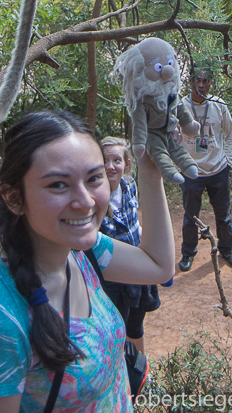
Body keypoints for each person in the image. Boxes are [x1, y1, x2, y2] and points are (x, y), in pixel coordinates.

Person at [0, 110, 174, 413]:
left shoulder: (83, 249)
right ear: (14, 198)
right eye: (58, 184)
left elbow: (158, 265)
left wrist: (150, 173)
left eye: (94, 178)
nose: (85, 201)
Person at [100, 136, 161, 355]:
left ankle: (140, 372)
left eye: (116, 160)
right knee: (114, 328)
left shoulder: (129, 186)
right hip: (112, 276)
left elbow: (135, 224)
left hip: (137, 268)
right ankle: (118, 378)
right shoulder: (94, 196)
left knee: (135, 324)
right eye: (105, 160)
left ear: (126, 164)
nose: (110, 166)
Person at [178, 67, 232, 272]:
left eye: (206, 81)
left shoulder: (219, 105)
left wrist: (228, 162)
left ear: (211, 83)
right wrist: (180, 163)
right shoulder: (182, 106)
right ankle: (188, 253)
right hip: (192, 171)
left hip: (218, 169)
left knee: (223, 215)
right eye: (198, 80)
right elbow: (173, 137)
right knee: (190, 216)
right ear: (191, 82)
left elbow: (230, 135)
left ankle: (227, 249)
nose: (202, 85)